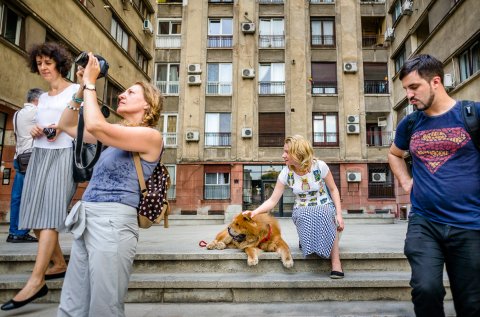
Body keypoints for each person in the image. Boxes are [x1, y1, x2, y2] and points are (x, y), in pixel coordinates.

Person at [56, 52, 163, 316]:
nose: (122, 95)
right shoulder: (113, 135)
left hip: (113, 222)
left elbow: (97, 125)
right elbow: (66, 124)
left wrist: (92, 81)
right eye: (123, 91)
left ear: (148, 106)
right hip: (87, 218)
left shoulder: (151, 136)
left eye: (131, 92)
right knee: (72, 304)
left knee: (105, 306)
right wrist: (81, 88)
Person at [388, 54, 480, 317]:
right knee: (425, 289)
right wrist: (407, 182)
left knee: (472, 302)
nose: (409, 95)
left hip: (470, 224)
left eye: (414, 87)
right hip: (424, 222)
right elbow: (394, 154)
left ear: (436, 82)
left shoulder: (472, 114)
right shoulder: (411, 122)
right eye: (405, 88)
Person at [1, 42, 79, 311]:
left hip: (63, 156)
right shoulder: (43, 98)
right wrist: (35, 130)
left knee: (48, 219)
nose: (43, 67)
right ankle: (58, 263)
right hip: (40, 155)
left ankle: (36, 281)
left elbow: (85, 126)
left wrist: (62, 127)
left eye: (48, 62)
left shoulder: (76, 90)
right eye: (39, 63)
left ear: (59, 63)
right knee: (33, 217)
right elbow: (38, 124)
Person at [243, 135, 345, 278]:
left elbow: (333, 189)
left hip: (323, 205)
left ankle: (336, 263)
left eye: (287, 152)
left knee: (326, 213)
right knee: (305, 215)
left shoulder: (320, 166)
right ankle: (307, 239)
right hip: (301, 208)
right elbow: (272, 200)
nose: (283, 155)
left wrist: (339, 215)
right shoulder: (285, 173)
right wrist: (255, 212)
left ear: (298, 153)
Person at [6, 88, 44, 243]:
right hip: (30, 159)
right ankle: (19, 232)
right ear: (37, 100)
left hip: (19, 158)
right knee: (29, 197)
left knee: (17, 197)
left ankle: (14, 232)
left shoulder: (17, 114)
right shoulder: (36, 112)